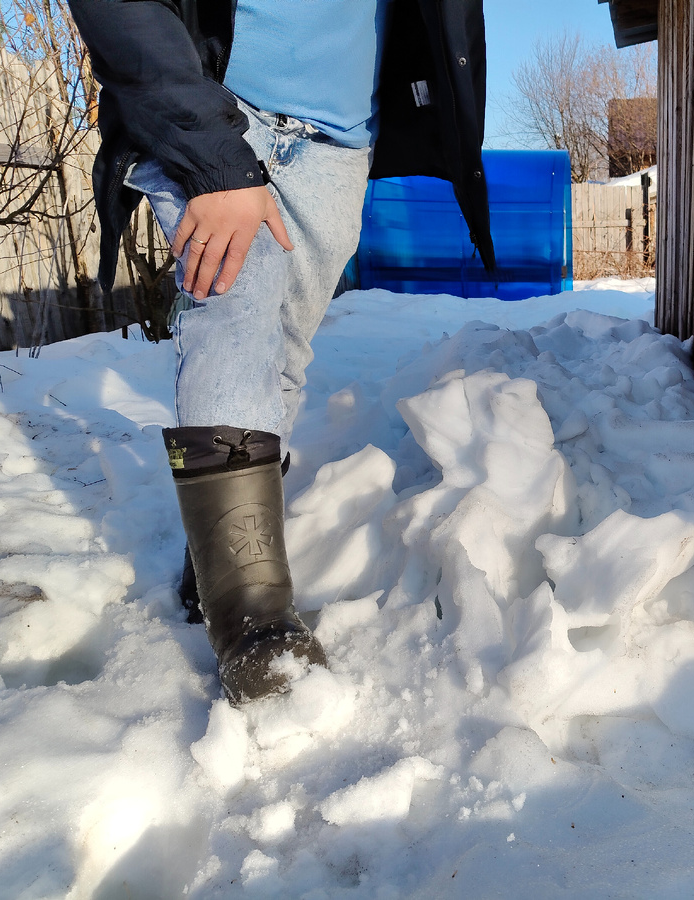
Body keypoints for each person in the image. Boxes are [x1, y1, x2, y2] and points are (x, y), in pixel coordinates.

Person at [67, 0, 496, 704]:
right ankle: (252, 619)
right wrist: (211, 160)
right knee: (232, 308)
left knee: (282, 353)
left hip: (339, 144)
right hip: (217, 109)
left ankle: (217, 568)